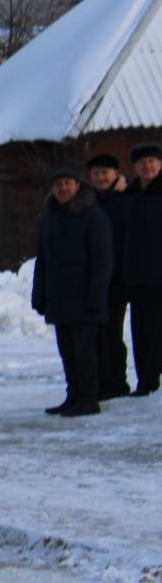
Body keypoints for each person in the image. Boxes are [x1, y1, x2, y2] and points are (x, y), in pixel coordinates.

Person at [31, 166, 113, 416]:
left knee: (84, 353)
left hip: (85, 299)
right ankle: (73, 395)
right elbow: (42, 261)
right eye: (58, 185)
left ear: (78, 186)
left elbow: (103, 261)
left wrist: (96, 296)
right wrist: (39, 295)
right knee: (67, 351)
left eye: (67, 183)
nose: (63, 188)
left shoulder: (93, 217)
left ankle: (89, 398)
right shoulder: (49, 219)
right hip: (59, 298)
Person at [87, 153, 132, 399]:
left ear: (116, 174)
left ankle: (117, 383)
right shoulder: (89, 201)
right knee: (96, 333)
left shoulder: (125, 200)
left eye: (105, 173)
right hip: (95, 279)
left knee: (112, 332)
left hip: (117, 277)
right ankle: (100, 382)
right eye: (96, 174)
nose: (101, 177)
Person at [126, 141, 162, 395]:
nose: (147, 166)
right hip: (137, 276)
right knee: (141, 331)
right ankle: (146, 380)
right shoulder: (129, 196)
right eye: (142, 163)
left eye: (151, 161)